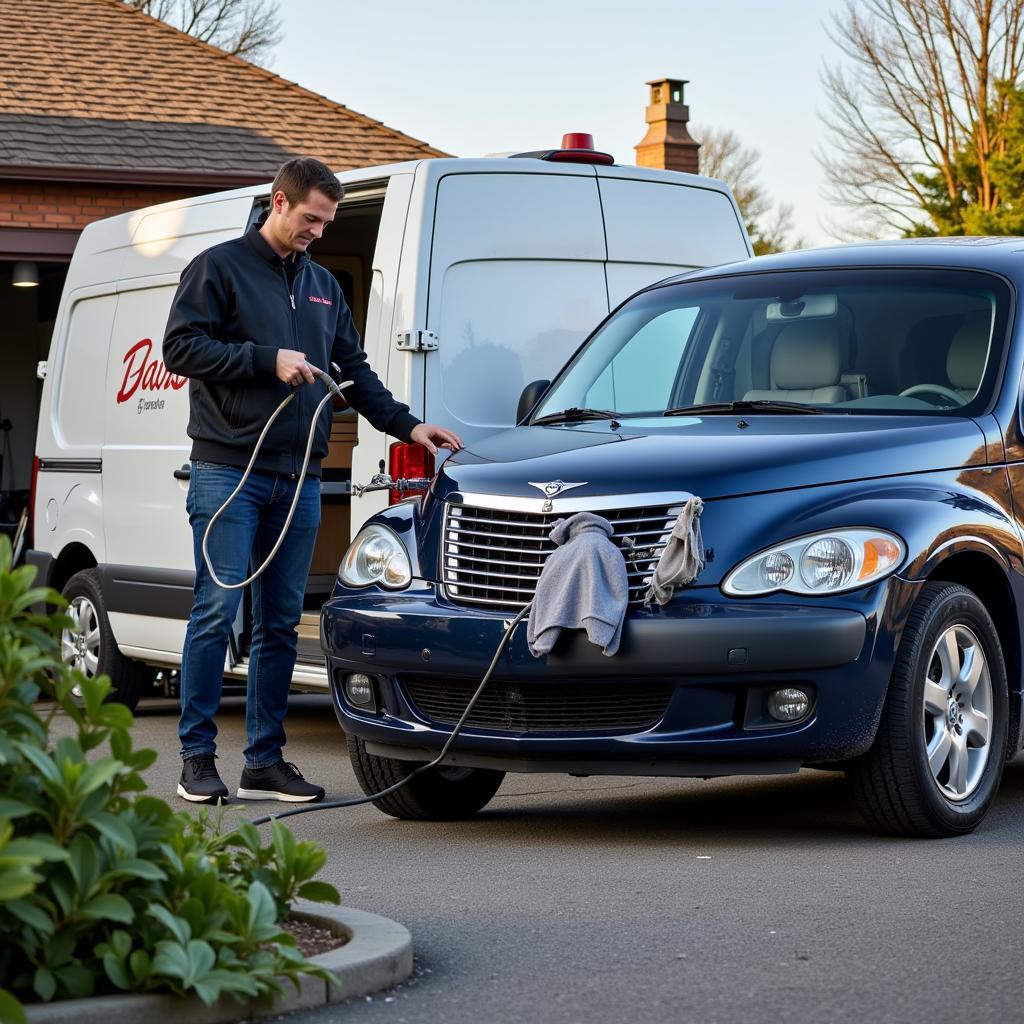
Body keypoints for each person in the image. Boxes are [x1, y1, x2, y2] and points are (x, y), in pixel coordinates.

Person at [163, 156, 462, 805]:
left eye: (325, 223)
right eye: (310, 220)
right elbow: (180, 348)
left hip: (296, 478)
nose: (318, 233)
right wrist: (266, 360)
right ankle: (195, 759)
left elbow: (353, 370)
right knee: (215, 613)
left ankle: (264, 762)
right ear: (279, 202)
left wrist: (410, 427)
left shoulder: (325, 285)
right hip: (228, 472)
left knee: (279, 623)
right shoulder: (219, 267)